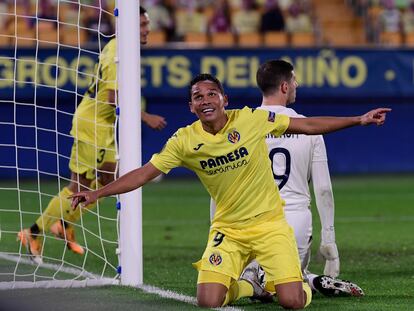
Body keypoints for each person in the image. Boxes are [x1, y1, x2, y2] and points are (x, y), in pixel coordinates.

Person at [70, 70, 389, 308]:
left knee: (292, 301)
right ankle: (255, 288)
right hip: (229, 229)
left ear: (224, 99)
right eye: (198, 97)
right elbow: (144, 173)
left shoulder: (251, 119)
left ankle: (309, 283)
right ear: (191, 106)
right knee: (209, 300)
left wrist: (358, 119)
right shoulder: (184, 141)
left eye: (211, 94)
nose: (205, 100)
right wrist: (98, 193)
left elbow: (307, 126)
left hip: (270, 225)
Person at [17, 6, 167, 264]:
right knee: (85, 187)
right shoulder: (117, 51)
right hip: (93, 125)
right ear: (126, 27)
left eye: (146, 24)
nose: (147, 29)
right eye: (141, 25)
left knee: (108, 182)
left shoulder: (122, 49)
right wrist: (145, 116)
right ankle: (34, 232)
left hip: (101, 125)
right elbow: (111, 97)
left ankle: (62, 223)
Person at [210, 59, 364, 297]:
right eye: (294, 80)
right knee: (289, 284)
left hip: (247, 224)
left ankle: (259, 278)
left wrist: (216, 232)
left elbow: (221, 188)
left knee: (245, 281)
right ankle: (306, 280)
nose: (297, 84)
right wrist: (329, 240)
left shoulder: (239, 127)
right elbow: (323, 190)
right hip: (295, 225)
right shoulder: (310, 129)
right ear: (284, 86)